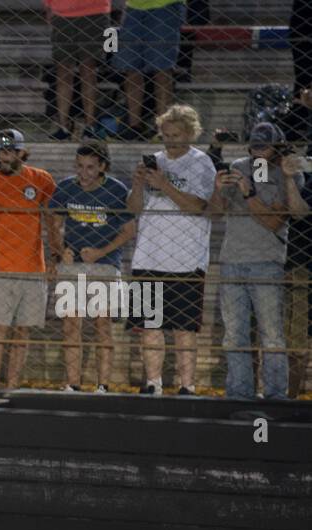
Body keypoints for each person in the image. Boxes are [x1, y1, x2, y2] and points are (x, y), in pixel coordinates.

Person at [209, 123, 307, 399]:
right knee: (234, 334)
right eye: (254, 146)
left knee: (272, 333)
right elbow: (215, 213)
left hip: (267, 261)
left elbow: (275, 222)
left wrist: (249, 192)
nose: (258, 152)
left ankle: (275, 394)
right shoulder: (240, 165)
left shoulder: (287, 173)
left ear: (278, 145)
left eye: (264, 146)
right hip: (231, 260)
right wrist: (218, 189)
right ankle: (239, 392)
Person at [125, 103, 214, 395]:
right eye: (165, 135)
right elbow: (134, 208)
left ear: (190, 134)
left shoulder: (201, 163)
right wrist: (139, 184)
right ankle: (153, 382)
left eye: (176, 135)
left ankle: (186, 384)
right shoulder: (155, 161)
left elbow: (199, 206)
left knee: (183, 328)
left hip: (186, 259)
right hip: (149, 253)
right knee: (150, 326)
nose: (170, 141)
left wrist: (164, 184)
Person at [0, 129, 57, 389]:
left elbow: (52, 219)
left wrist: (55, 255)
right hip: (1, 268)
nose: (2, 157)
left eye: (8, 152)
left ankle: (13, 383)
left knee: (23, 332)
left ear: (20, 153)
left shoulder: (42, 179)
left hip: (33, 268)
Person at [48, 141, 135, 392]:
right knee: (70, 326)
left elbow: (128, 231)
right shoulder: (66, 187)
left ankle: (103, 385)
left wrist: (100, 252)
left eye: (89, 168)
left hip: (105, 265)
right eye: (79, 167)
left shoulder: (117, 190)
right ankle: (72, 383)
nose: (83, 173)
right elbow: (52, 221)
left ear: (102, 167)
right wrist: (58, 250)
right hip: (72, 265)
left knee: (102, 325)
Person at [112, 0, 186, 141]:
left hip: (165, 5)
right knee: (131, 68)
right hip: (133, 6)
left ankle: (163, 129)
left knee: (162, 68)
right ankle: (134, 127)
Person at [45, 0, 111, 140]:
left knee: (88, 69)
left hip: (94, 9)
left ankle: (90, 125)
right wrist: (48, 5)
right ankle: (63, 125)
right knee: (63, 71)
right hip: (61, 10)